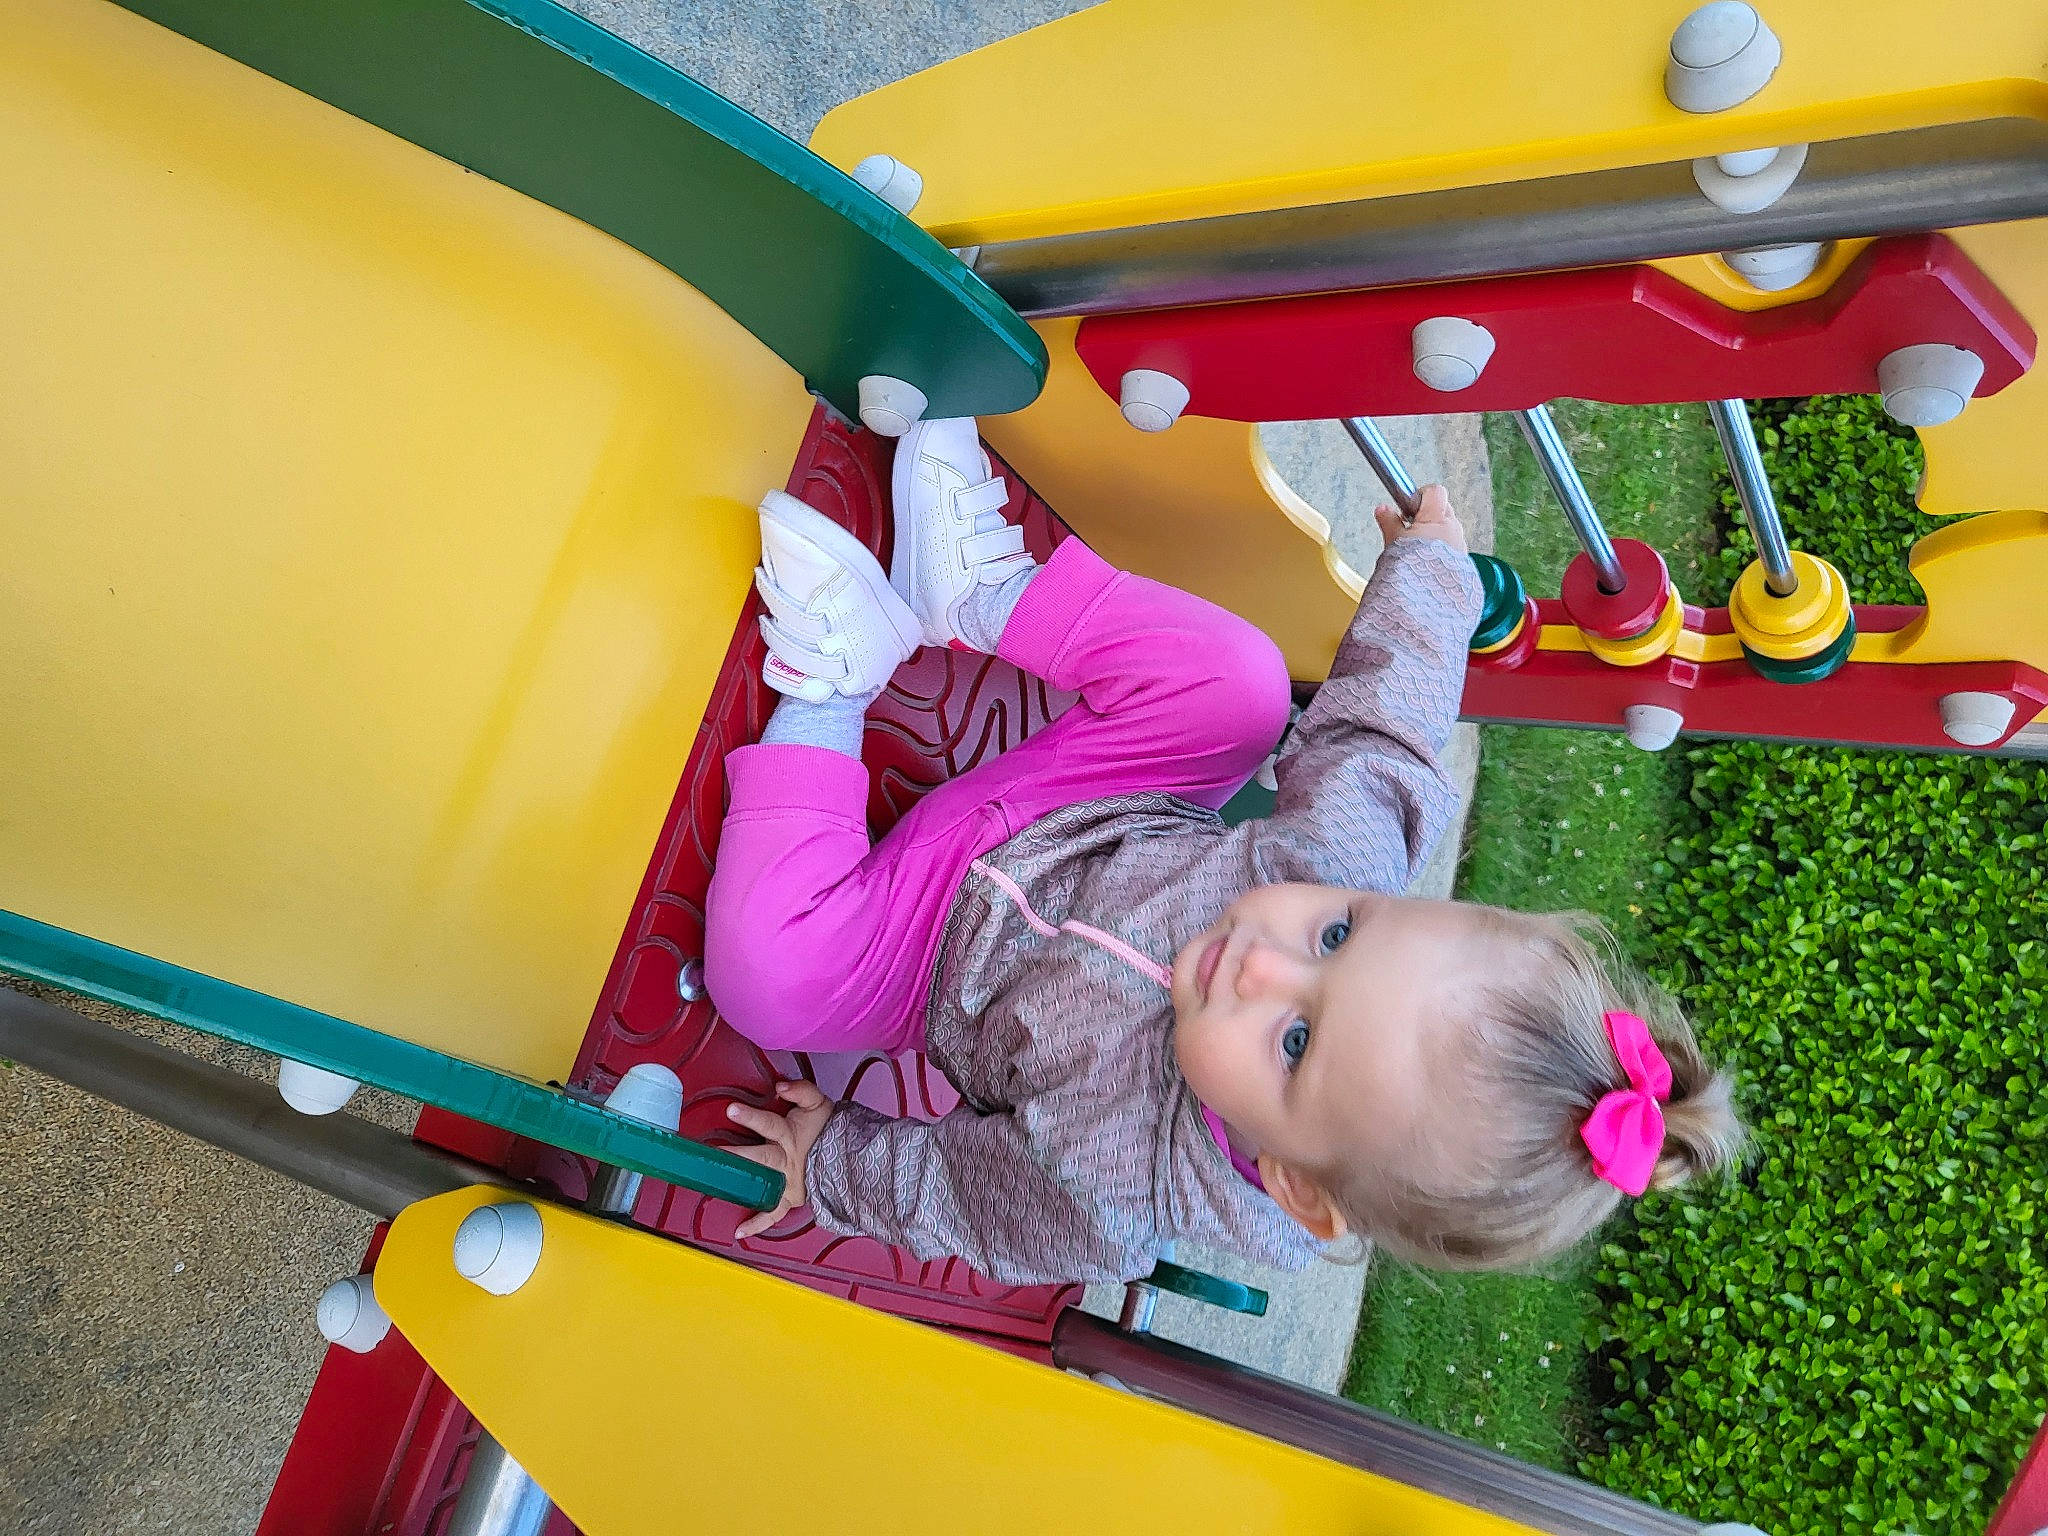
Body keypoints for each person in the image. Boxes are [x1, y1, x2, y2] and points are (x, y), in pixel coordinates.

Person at [704, 417, 1743, 1285]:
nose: (1263, 961)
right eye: (1336, 936)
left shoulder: (1111, 1197)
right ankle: (977, 593)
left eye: (1294, 1042)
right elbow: (1382, 736)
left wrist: (830, 1163)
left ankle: (828, 687)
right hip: (1088, 808)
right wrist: (1428, 575)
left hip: (921, 959)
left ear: (1296, 1184)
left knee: (768, 975)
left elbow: (960, 1198)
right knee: (1239, 686)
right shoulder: (1328, 867)